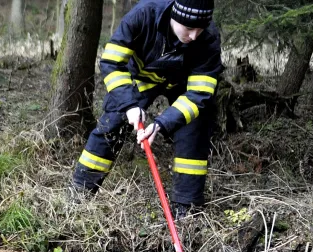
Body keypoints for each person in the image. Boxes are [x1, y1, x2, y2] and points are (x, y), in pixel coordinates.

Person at [71, 0, 223, 219]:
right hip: (143, 78)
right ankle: (81, 192)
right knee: (113, 122)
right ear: (174, 16)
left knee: (194, 129)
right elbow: (111, 63)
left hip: (185, 85)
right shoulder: (143, 15)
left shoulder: (208, 38)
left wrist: (161, 124)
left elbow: (199, 94)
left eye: (200, 29)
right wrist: (130, 105)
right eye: (189, 28)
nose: (194, 36)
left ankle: (187, 209)